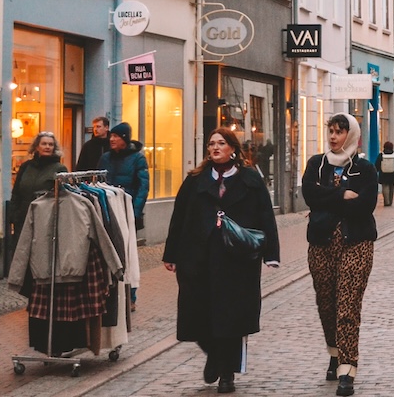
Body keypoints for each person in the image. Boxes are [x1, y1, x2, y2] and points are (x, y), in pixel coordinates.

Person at [162, 128, 280, 394]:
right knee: (197, 311)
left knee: (231, 318)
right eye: (211, 143)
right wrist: (171, 254)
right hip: (198, 258)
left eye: (221, 143)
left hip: (236, 260)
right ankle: (213, 353)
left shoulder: (249, 179)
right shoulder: (195, 180)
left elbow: (265, 217)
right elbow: (179, 218)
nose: (215, 147)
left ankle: (227, 373)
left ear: (233, 149)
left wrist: (271, 254)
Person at [302, 114, 378, 395]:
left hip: (355, 243)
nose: (333, 137)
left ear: (352, 135)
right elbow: (309, 194)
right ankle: (334, 352)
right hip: (321, 244)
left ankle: (348, 368)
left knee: (347, 305)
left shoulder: (365, 169)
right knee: (326, 303)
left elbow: (365, 205)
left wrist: (327, 200)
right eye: (330, 131)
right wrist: (342, 196)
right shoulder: (316, 165)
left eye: (339, 132)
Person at [99, 121, 150, 307]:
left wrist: (134, 213)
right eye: (111, 136)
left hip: (127, 213)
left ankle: (130, 297)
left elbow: (143, 187)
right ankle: (109, 294)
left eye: (115, 136)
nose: (111, 139)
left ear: (124, 139)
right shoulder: (105, 158)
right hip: (107, 212)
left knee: (128, 255)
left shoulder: (137, 158)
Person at [9, 131, 68, 248]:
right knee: (21, 251)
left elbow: (63, 197)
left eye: (50, 145)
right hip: (23, 217)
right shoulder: (26, 166)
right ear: (37, 146)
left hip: (45, 218)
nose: (47, 147)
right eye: (44, 144)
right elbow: (16, 192)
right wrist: (14, 216)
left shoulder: (59, 168)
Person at [374, 141, 394, 207]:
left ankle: (386, 201)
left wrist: (375, 172)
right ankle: (390, 201)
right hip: (392, 174)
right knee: (391, 187)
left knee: (385, 187)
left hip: (383, 173)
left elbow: (377, 164)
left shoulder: (381, 155)